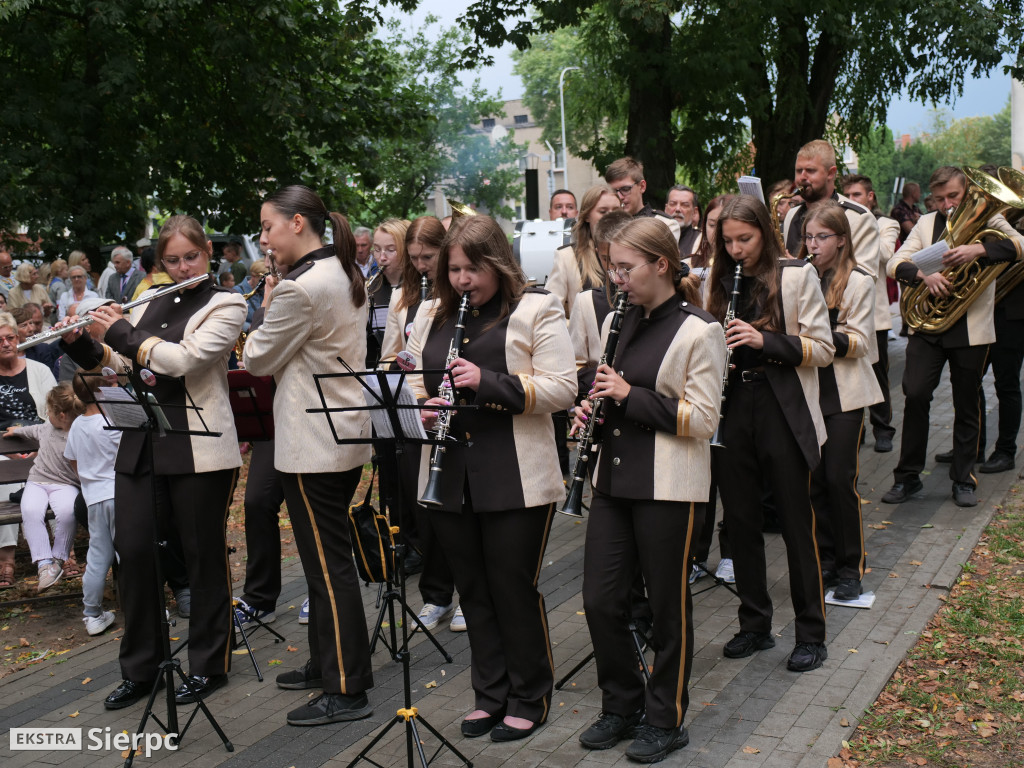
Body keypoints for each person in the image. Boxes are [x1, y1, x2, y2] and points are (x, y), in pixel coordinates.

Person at [58, 214, 246, 710]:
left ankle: (210, 663)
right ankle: (142, 668)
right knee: (135, 554)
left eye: (192, 257)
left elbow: (183, 360)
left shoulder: (226, 302)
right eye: (173, 260)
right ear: (159, 262)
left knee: (203, 558)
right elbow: (123, 364)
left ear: (207, 252)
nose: (184, 267)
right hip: (144, 441)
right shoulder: (154, 300)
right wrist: (84, 345)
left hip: (200, 447)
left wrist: (122, 330)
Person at [406, 214, 576, 742]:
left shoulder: (536, 308)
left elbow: (561, 388)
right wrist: (423, 408)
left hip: (516, 473)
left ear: (499, 263)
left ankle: (531, 693)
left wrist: (489, 381)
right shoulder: (430, 313)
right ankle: (489, 694)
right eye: (454, 269)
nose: (462, 280)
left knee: (511, 587)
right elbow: (412, 381)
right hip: (449, 472)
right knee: (474, 591)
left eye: (473, 269)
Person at [574, 218, 725, 762]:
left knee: (665, 608)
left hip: (670, 484)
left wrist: (628, 394)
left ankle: (666, 718)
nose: (617, 278)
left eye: (626, 267)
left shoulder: (699, 330)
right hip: (614, 478)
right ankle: (622, 704)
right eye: (613, 266)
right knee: (600, 600)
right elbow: (609, 393)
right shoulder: (619, 318)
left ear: (661, 265)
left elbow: (704, 420)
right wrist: (591, 406)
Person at [243, 185, 375, 727]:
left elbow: (256, 359)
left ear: (298, 223)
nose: (263, 239)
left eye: (267, 227)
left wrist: (268, 306)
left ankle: (346, 686)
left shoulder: (299, 289)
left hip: (314, 444)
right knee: (328, 561)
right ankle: (326, 664)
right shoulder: (341, 270)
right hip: (340, 433)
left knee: (328, 568)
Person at [707, 195, 833, 672]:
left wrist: (766, 341)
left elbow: (822, 348)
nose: (737, 249)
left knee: (796, 523)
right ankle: (754, 624)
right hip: (733, 407)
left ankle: (811, 633)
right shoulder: (716, 283)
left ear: (765, 231)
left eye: (746, 239)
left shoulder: (797, 275)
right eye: (729, 241)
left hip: (782, 405)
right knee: (740, 523)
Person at [882, 166, 1024, 508]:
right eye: (940, 198)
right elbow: (894, 262)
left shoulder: (990, 222)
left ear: (967, 193)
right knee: (915, 394)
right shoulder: (926, 222)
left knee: (966, 403)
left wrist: (979, 251)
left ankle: (963, 479)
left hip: (970, 328)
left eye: (954, 197)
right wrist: (922, 275)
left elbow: (1020, 244)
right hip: (928, 327)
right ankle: (908, 477)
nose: (947, 205)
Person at [799, 202, 882, 601]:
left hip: (844, 392)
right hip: (809, 390)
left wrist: (817, 334)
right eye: (808, 237)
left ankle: (852, 567)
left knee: (838, 479)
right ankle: (827, 560)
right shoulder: (801, 275)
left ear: (842, 240)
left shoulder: (858, 281)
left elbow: (862, 343)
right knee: (814, 483)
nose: (812, 244)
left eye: (821, 237)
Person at [841, 174, 901, 452]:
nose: (851, 201)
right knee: (849, 373)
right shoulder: (837, 224)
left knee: (878, 373)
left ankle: (883, 428)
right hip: (844, 309)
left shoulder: (886, 224)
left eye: (857, 196)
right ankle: (857, 428)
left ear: (870, 197)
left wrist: (861, 225)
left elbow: (887, 255)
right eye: (848, 196)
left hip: (873, 314)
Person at [6, 383, 84, 593]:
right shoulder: (47, 427)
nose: (45, 415)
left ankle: (58, 559)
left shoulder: (78, 434)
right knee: (30, 511)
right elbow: (32, 430)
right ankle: (43, 563)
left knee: (68, 513)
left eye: (48, 412)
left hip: (65, 485)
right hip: (38, 481)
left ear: (61, 415)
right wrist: (16, 430)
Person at [0, 310, 56, 589]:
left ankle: (63, 552)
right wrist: (10, 451)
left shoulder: (39, 370)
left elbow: (56, 413)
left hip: (41, 442)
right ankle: (6, 559)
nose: (6, 343)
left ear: (18, 338)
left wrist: (37, 446)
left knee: (54, 467)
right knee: (0, 471)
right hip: (3, 447)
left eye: (10, 337)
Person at [65, 373, 121, 635]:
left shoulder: (77, 424)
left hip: (93, 498)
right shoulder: (112, 421)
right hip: (119, 494)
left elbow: (74, 462)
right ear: (101, 392)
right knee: (130, 553)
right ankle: (146, 607)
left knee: (97, 556)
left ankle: (92, 614)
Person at [782, 141, 881, 282]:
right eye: (799, 171)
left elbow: (864, 281)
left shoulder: (859, 218)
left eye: (810, 170)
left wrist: (805, 273)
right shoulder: (792, 214)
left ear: (831, 173)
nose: (802, 177)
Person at [546, 184, 620, 319]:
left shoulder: (636, 253)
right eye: (603, 211)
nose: (611, 217)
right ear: (586, 216)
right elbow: (549, 313)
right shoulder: (566, 257)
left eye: (616, 211)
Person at [604, 157, 681, 241]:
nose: (620, 196)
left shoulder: (665, 224)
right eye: (614, 191)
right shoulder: (608, 224)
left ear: (642, 186)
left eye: (625, 189)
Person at [367, 219, 409, 366]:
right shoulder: (370, 290)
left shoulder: (421, 289)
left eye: (391, 250)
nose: (382, 258)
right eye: (377, 250)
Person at [665, 184, 702, 256]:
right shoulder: (654, 237)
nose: (678, 209)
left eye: (684, 205)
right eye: (673, 204)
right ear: (666, 209)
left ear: (694, 212)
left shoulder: (702, 241)